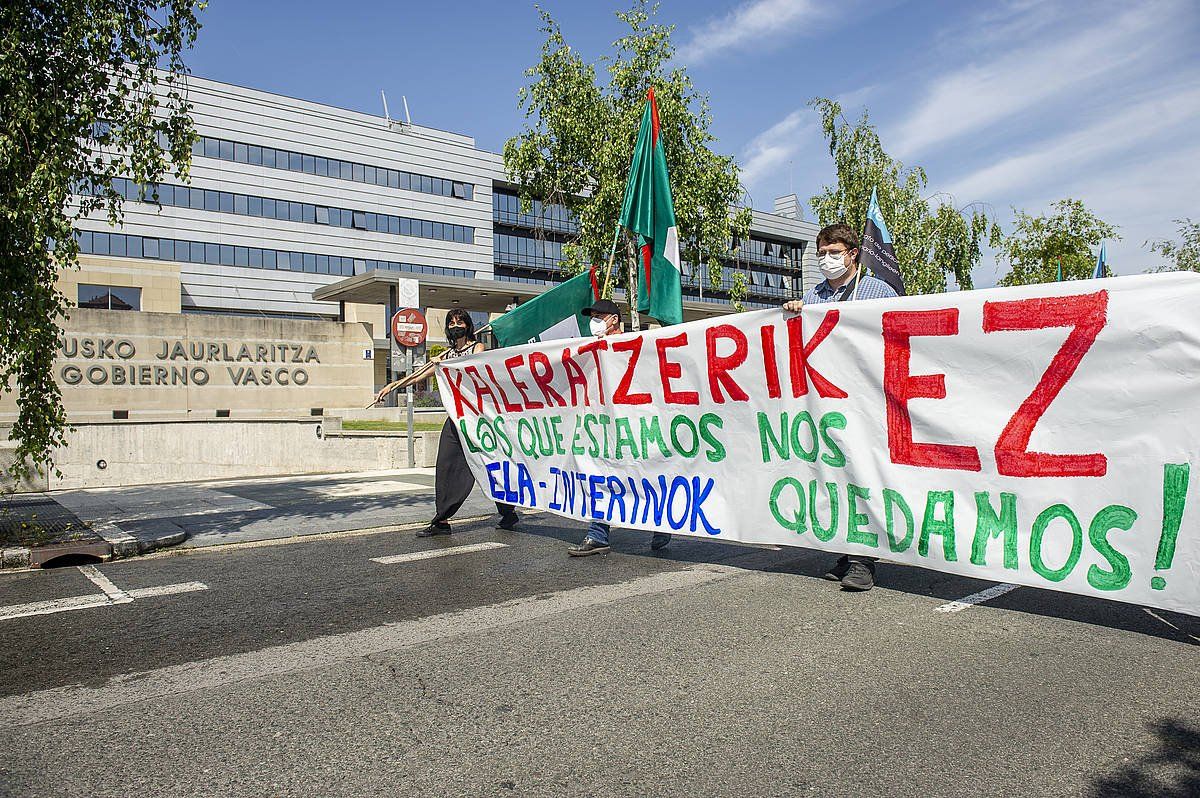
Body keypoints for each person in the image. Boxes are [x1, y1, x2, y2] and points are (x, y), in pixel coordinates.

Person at [784, 223, 897, 591]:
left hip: (865, 398)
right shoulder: (813, 296)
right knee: (835, 474)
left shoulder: (876, 290)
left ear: (852, 254)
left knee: (863, 472)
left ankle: (864, 560)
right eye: (822, 253)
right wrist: (794, 314)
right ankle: (848, 552)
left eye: (834, 252)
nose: (827, 260)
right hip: (823, 400)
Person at [375, 309, 520, 538]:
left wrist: (448, 362)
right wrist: (390, 386)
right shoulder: (446, 355)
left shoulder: (477, 348)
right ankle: (441, 520)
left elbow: (475, 369)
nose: (455, 326)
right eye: (451, 322)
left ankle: (507, 511)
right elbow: (416, 376)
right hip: (455, 418)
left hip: (478, 420)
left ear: (468, 325)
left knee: (490, 467)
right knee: (445, 466)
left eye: (459, 321)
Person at [567, 299, 672, 557]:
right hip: (603, 424)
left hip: (634, 421)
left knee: (642, 473)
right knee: (600, 473)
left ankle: (662, 523)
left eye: (599, 315)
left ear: (614, 319)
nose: (594, 320)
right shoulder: (590, 349)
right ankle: (597, 533)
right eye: (592, 315)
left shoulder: (635, 344)